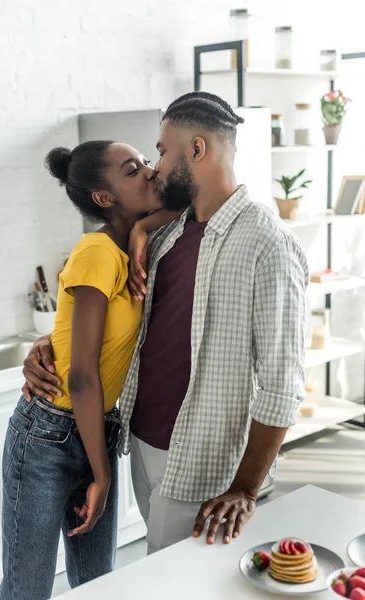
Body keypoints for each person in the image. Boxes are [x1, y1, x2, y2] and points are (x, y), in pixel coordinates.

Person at [22, 91, 308, 556]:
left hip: (204, 462)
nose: (154, 166)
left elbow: (283, 384)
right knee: (158, 574)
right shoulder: (165, 234)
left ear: (196, 150)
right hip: (138, 443)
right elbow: (117, 322)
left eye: (160, 150)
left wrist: (246, 489)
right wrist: (46, 344)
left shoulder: (268, 243)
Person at [0, 140, 180, 600]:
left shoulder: (130, 249)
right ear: (105, 198)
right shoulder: (96, 252)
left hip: (97, 428)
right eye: (132, 170)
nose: (149, 171)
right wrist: (101, 475)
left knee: (98, 585)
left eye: (144, 161)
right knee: (28, 591)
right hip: (48, 436)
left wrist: (141, 230)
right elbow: (80, 375)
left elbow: (191, 202)